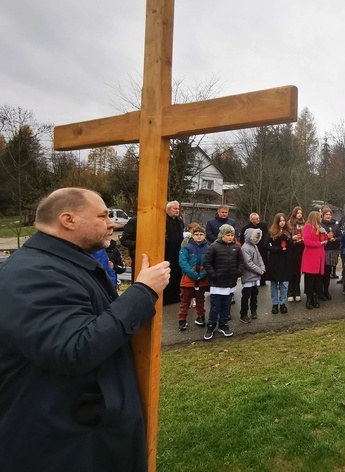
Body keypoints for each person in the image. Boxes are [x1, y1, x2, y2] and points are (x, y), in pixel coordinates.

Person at [0, 188, 170, 472]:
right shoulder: (34, 274)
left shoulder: (61, 264)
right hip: (59, 443)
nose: (111, 223)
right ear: (68, 219)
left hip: (81, 428)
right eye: (103, 216)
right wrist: (142, 292)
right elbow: (74, 349)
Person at [203, 224, 241, 340]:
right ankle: (211, 326)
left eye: (232, 235)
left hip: (230, 282)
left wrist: (238, 272)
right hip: (217, 283)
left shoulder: (236, 247)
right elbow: (207, 263)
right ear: (222, 235)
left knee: (226, 305)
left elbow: (240, 261)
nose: (230, 237)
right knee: (215, 306)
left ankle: (223, 325)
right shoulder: (214, 247)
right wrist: (213, 275)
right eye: (228, 235)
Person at [177, 225, 209, 331]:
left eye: (201, 235)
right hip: (189, 278)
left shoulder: (208, 248)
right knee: (185, 301)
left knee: (200, 300)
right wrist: (194, 274)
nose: (199, 237)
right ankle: (182, 319)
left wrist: (203, 274)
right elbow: (183, 262)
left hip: (202, 278)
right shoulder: (186, 248)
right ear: (193, 236)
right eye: (196, 235)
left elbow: (210, 262)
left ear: (204, 236)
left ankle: (201, 316)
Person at [265, 213, 291, 314]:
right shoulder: (271, 232)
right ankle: (275, 304)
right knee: (274, 283)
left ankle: (283, 303)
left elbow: (291, 246)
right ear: (277, 222)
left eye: (284, 220)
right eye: (280, 221)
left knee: (284, 283)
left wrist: (287, 239)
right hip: (274, 260)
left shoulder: (287, 232)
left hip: (285, 260)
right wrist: (277, 249)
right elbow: (266, 245)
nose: (282, 222)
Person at [301, 210, 327, 309]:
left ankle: (315, 297)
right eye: (319, 217)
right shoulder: (307, 227)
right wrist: (319, 244)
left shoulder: (321, 228)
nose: (321, 218)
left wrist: (325, 235)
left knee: (318, 279)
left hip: (320, 255)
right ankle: (309, 298)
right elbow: (307, 241)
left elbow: (325, 241)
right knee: (310, 279)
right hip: (310, 256)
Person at [239, 227, 265, 323]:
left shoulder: (255, 246)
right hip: (248, 276)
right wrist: (259, 270)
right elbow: (248, 263)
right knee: (246, 296)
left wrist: (262, 268)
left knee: (255, 294)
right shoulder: (245, 248)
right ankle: (243, 313)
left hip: (256, 276)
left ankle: (253, 310)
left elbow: (259, 257)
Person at [240, 212, 269, 285]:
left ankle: (263, 280)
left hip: (262, 249)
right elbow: (242, 240)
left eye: (259, 218)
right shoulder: (245, 228)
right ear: (252, 220)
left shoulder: (263, 226)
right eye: (256, 219)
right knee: (252, 264)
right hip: (250, 249)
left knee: (262, 263)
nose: (258, 220)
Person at [320, 206, 342, 300]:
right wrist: (326, 237)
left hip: (332, 251)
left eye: (329, 214)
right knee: (321, 272)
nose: (328, 216)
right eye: (326, 214)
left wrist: (335, 239)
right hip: (322, 251)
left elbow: (341, 237)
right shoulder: (320, 225)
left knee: (328, 272)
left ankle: (326, 290)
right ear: (323, 215)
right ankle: (319, 291)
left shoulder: (335, 225)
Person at [286, 206, 305, 302]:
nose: (299, 215)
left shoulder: (304, 223)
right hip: (292, 249)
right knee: (291, 271)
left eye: (301, 213)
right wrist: (292, 238)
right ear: (294, 213)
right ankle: (290, 291)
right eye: (298, 213)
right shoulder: (289, 223)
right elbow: (286, 237)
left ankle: (297, 290)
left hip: (301, 249)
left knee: (298, 271)